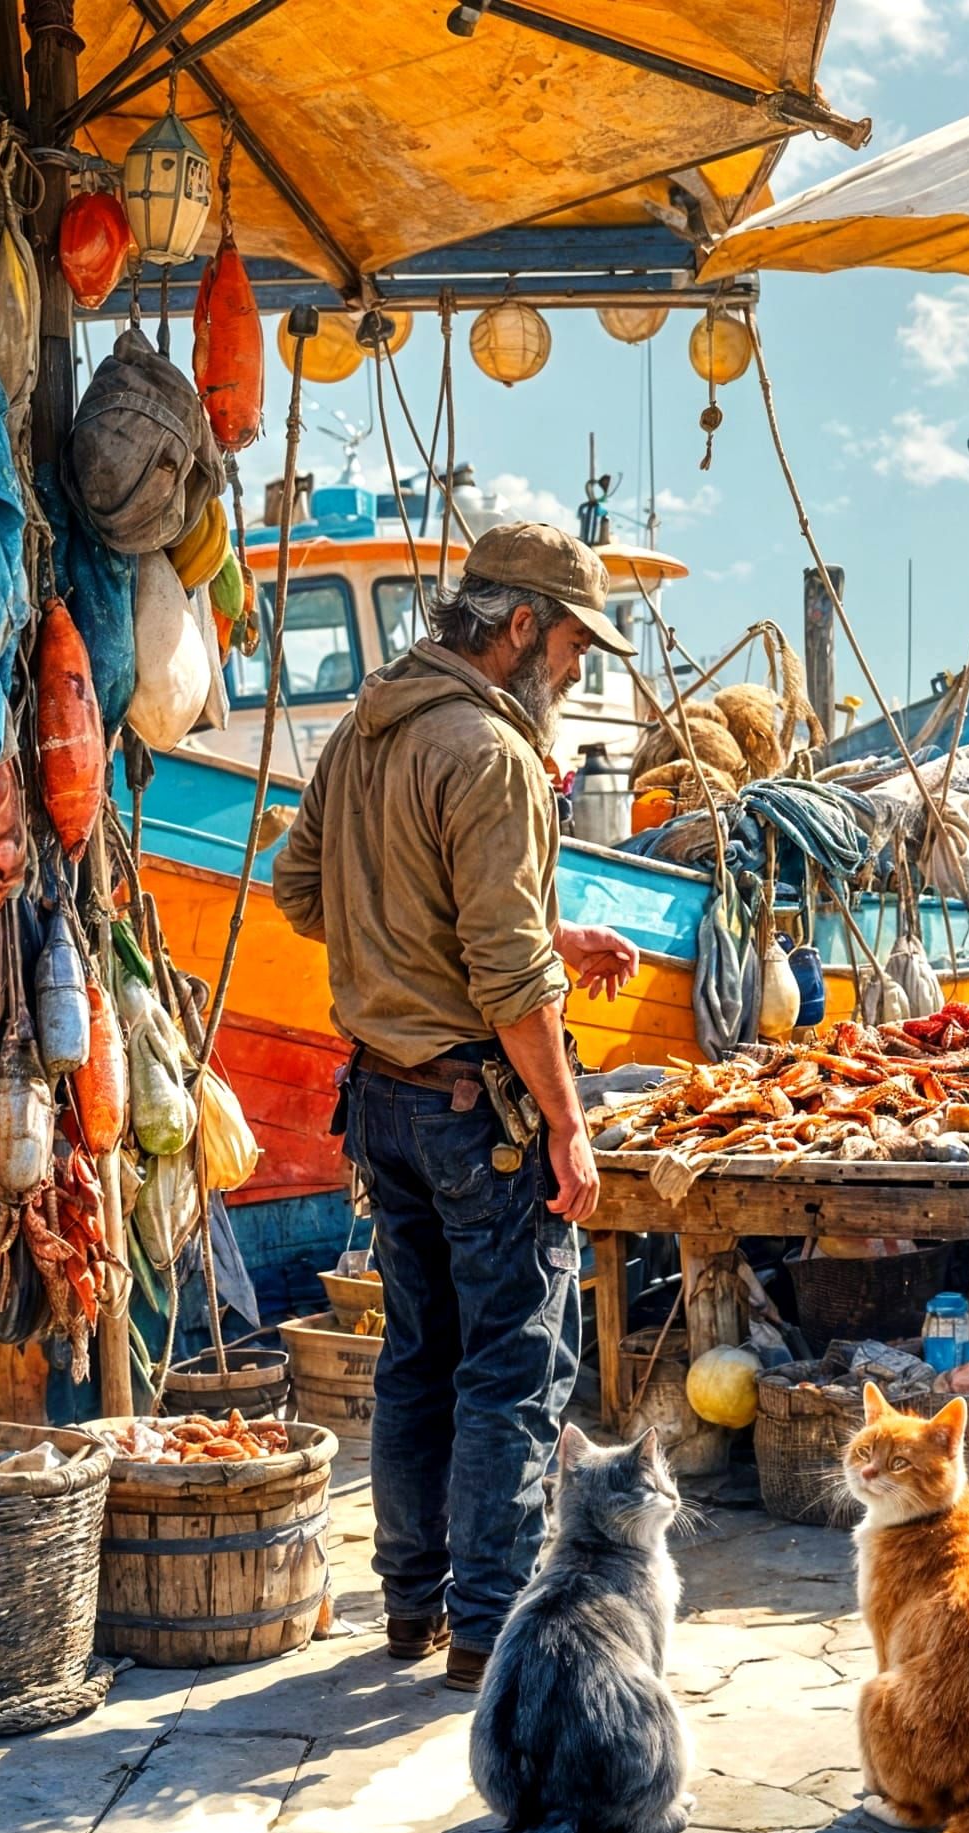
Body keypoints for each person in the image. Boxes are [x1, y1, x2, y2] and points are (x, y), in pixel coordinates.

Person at [272, 522, 641, 1692]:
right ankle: (484, 1630)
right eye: (574, 648)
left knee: (417, 1357)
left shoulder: (368, 722)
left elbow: (299, 888)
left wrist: (427, 957)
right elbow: (511, 981)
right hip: (473, 1112)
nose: (574, 673)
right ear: (521, 624)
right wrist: (572, 1123)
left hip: (378, 1098)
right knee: (510, 1366)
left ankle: (408, 1608)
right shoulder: (491, 752)